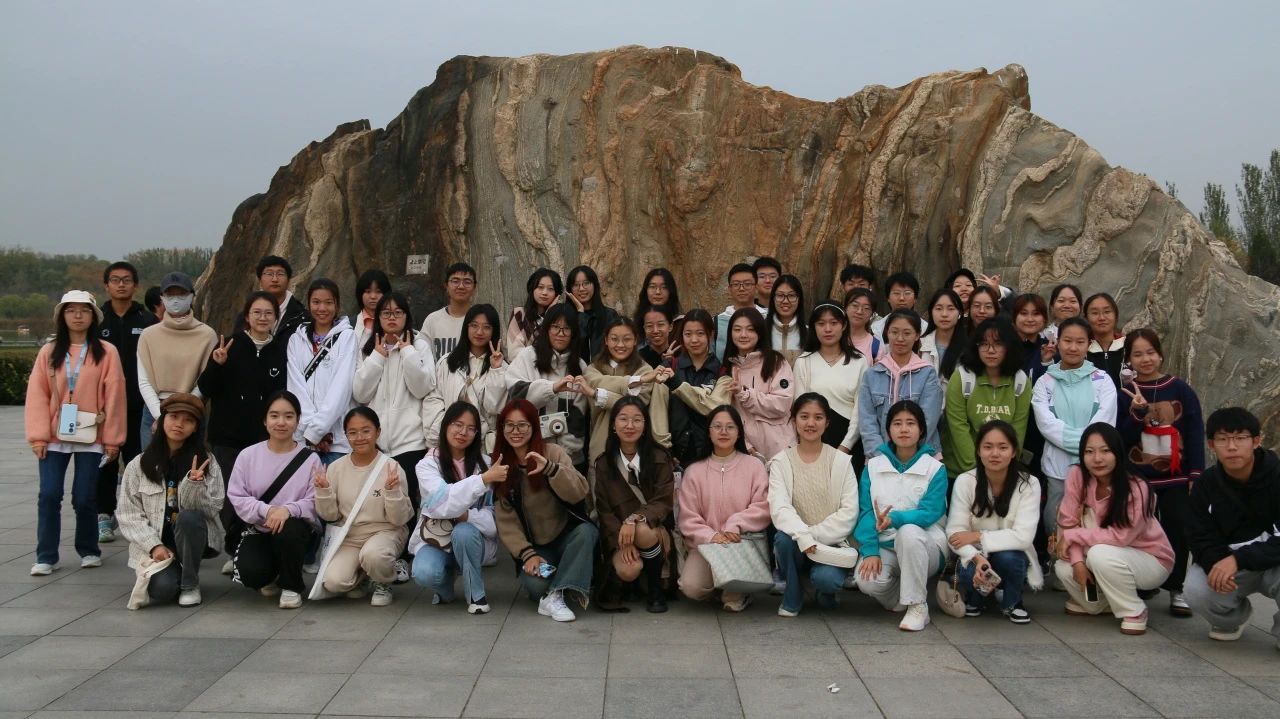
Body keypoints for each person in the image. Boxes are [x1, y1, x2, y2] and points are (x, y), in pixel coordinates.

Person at [26, 291, 127, 575]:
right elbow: (37, 395)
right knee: (49, 494)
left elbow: (115, 395)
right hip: (54, 435)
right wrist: (38, 435)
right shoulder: (49, 351)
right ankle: (46, 556)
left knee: (84, 497)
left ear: (94, 316)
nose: (78, 316)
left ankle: (89, 549)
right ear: (62, 316)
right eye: (71, 310)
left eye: (84, 310)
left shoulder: (106, 351)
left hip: (91, 434)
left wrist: (112, 439)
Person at [1054, 423, 1173, 635]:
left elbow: (1120, 537)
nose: (1097, 459)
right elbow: (1069, 522)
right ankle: (1101, 604)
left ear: (1118, 452)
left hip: (1150, 559)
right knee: (1063, 566)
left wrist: (1072, 536)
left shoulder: (1136, 487)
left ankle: (1134, 609)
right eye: (1089, 452)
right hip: (1104, 551)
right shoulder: (1077, 475)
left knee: (1100, 555)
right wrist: (1078, 562)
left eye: (1105, 451)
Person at [1117, 327, 1204, 617]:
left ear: (1160, 354)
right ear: (1128, 360)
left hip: (1176, 475)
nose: (1145, 359)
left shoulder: (1180, 389)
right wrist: (1137, 413)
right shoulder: (1124, 393)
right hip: (1139, 476)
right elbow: (1122, 438)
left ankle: (1177, 588)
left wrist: (1196, 473)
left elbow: (1194, 432)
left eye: (1150, 352)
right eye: (1137, 354)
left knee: (1178, 528)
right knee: (1141, 530)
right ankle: (1146, 582)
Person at [197, 291, 288, 568]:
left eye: (269, 313)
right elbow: (206, 387)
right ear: (247, 316)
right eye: (257, 312)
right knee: (231, 497)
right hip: (228, 437)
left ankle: (252, 549)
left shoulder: (280, 350)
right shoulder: (229, 345)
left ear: (276, 317)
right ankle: (234, 550)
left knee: (259, 494)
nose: (263, 317)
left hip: (264, 439)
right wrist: (217, 364)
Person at [492, 399, 596, 622]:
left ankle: (555, 595)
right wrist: (527, 554)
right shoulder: (501, 464)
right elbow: (506, 520)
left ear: (534, 426)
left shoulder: (553, 452)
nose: (516, 431)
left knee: (587, 532)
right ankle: (564, 584)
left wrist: (550, 469)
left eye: (523, 425)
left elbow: (579, 491)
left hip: (566, 537)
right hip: (537, 547)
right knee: (536, 586)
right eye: (509, 425)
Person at [1184, 407, 1280, 646]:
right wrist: (1215, 562)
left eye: (1240, 438)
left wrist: (1238, 559)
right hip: (1230, 566)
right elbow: (1199, 536)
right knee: (1196, 589)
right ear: (1211, 445)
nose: (1232, 446)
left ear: (1256, 441)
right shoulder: (1205, 485)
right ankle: (1232, 619)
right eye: (1223, 439)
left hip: (1273, 564)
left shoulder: (1277, 476)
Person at [116, 394, 224, 607]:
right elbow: (128, 514)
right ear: (162, 419)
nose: (179, 424)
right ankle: (174, 572)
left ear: (196, 427)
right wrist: (154, 546)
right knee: (163, 590)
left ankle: (190, 583)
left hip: (192, 538)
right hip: (157, 544)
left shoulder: (207, 462)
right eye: (174, 417)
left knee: (189, 518)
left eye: (188, 420)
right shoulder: (138, 465)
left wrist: (194, 485)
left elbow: (212, 509)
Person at [854, 400, 949, 631]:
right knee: (866, 581)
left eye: (910, 423)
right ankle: (901, 597)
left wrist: (895, 519)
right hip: (886, 545)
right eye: (897, 423)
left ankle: (917, 606)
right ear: (888, 430)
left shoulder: (935, 468)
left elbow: (929, 512)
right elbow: (866, 511)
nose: (904, 429)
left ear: (921, 430)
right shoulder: (873, 466)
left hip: (926, 546)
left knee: (908, 532)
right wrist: (870, 550)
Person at [226, 390, 322, 608]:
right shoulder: (248, 455)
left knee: (290, 530)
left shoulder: (310, 459)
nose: (281, 422)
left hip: (296, 530)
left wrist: (287, 510)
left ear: (297, 420)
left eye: (289, 416)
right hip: (259, 527)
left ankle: (291, 586)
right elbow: (237, 495)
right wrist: (267, 511)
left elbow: (314, 500)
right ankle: (271, 573)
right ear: (265, 420)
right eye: (274, 415)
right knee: (251, 574)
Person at [313, 407, 414, 606]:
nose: (359, 437)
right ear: (346, 435)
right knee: (333, 582)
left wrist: (392, 492)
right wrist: (323, 491)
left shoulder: (392, 467)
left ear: (378, 432)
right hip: (350, 537)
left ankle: (383, 581)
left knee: (374, 555)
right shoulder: (336, 468)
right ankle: (364, 576)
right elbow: (330, 516)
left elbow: (399, 519)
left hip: (385, 532)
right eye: (352, 432)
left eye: (366, 431)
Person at [768, 393, 859, 616]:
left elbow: (848, 512)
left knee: (827, 579)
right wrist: (802, 536)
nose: (811, 423)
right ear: (794, 420)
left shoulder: (840, 461)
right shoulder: (781, 462)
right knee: (782, 539)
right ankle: (792, 596)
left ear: (827, 423)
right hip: (796, 542)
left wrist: (810, 536)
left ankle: (825, 593)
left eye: (818, 417)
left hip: (831, 544)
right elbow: (780, 508)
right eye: (804, 416)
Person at [411, 401, 503, 614]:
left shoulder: (488, 464)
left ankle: (476, 594)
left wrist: (466, 516)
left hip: (473, 540)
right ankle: (445, 589)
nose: (463, 432)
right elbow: (442, 502)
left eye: (471, 428)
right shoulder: (427, 464)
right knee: (424, 572)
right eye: (458, 425)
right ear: (445, 426)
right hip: (437, 539)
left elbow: (495, 518)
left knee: (464, 532)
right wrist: (482, 480)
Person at [945, 420, 1041, 623]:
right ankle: (976, 598)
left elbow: (1023, 537)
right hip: (976, 553)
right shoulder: (965, 481)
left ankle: (1013, 602)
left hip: (1010, 553)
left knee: (1011, 559)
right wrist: (977, 557)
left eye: (1003, 447)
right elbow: (954, 533)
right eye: (988, 447)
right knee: (972, 568)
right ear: (978, 451)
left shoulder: (1029, 484)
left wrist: (977, 536)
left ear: (1014, 452)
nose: (995, 453)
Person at [678, 405, 771, 612]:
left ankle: (740, 590)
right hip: (706, 545)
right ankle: (719, 586)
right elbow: (688, 517)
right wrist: (711, 536)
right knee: (692, 587)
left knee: (732, 597)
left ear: (739, 432)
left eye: (730, 427)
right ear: (708, 432)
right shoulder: (694, 471)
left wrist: (735, 525)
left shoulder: (754, 466)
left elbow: (762, 506)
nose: (723, 432)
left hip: (741, 542)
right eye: (717, 426)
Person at [1033, 317, 1118, 540]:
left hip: (1097, 466)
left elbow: (1104, 424)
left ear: (1089, 344)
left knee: (1096, 523)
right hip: (1057, 468)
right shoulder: (1044, 382)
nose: (1073, 347)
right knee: (1056, 525)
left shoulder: (1103, 380)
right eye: (1067, 340)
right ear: (1057, 342)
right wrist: (1086, 445)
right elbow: (1046, 425)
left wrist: (1087, 451)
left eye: (1080, 342)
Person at [592, 397, 676, 613]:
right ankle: (635, 583)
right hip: (620, 534)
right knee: (628, 570)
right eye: (623, 419)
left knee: (642, 530)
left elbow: (663, 500)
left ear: (645, 425)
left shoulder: (660, 457)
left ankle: (656, 589)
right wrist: (622, 540)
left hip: (653, 528)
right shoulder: (604, 463)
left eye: (637, 420)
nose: (630, 426)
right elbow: (604, 510)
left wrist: (635, 519)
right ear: (613, 424)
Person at [96, 261, 156, 543]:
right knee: (105, 464)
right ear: (106, 285)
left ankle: (136, 516)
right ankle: (104, 515)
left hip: (137, 406)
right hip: (103, 409)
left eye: (127, 280)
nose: (121, 284)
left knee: (136, 463)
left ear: (136, 285)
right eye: (115, 280)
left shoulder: (147, 321)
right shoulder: (97, 320)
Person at [942, 317, 1033, 480]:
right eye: (984, 344)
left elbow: (1018, 430)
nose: (990, 351)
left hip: (1003, 472)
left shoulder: (1020, 381)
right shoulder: (962, 378)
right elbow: (958, 426)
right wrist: (976, 470)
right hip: (963, 473)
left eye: (998, 344)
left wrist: (1003, 469)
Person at [136, 272, 218, 447]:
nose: (175, 299)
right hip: (154, 408)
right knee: (151, 462)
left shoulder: (207, 335)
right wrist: (161, 415)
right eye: (170, 294)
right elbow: (144, 381)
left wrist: (185, 409)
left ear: (191, 296)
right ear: (162, 298)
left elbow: (207, 378)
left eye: (181, 294)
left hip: (191, 409)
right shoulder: (148, 335)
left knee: (189, 463)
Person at [507, 304, 590, 473]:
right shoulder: (527, 356)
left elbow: (579, 417)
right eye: (555, 327)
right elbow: (516, 397)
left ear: (574, 333)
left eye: (567, 328)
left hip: (568, 460)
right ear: (546, 329)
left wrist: (560, 458)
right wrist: (552, 388)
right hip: (529, 454)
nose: (561, 333)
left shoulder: (580, 366)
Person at [580, 318, 671, 469]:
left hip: (636, 450)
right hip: (600, 446)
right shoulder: (593, 369)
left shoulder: (645, 370)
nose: (620, 345)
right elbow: (595, 382)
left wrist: (597, 394)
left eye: (627, 339)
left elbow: (634, 406)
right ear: (606, 340)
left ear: (635, 340)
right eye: (614, 339)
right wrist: (636, 381)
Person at [286, 278, 357, 464]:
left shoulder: (347, 337)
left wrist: (317, 431)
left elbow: (341, 388)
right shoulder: (296, 340)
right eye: (316, 302)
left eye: (328, 302)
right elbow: (295, 387)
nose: (322, 308)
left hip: (337, 440)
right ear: (309, 304)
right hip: (304, 440)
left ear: (337, 305)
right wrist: (312, 432)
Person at [857, 310, 943, 459]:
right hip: (880, 459)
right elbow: (867, 421)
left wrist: (908, 455)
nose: (900, 338)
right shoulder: (872, 374)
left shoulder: (927, 374)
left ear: (917, 335)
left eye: (907, 333)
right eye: (894, 332)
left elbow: (928, 420)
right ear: (887, 333)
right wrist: (882, 455)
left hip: (921, 457)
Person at [423, 304, 509, 449]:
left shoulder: (503, 368)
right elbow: (433, 400)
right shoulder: (448, 362)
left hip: (484, 446)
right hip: (449, 442)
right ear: (466, 327)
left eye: (486, 327)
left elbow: (494, 407)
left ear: (494, 331)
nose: (479, 332)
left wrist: (496, 370)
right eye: (474, 325)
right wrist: (448, 430)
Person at [793, 303, 868, 459]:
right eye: (821, 324)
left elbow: (861, 409)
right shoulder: (804, 361)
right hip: (813, 443)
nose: (827, 329)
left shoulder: (859, 361)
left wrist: (844, 447)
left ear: (844, 325)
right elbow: (800, 408)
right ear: (813, 327)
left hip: (850, 446)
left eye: (834, 323)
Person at [722, 307, 795, 461]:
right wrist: (745, 445)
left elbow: (781, 404)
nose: (743, 335)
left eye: (750, 329)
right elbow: (728, 415)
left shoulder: (776, 362)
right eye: (737, 329)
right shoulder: (727, 367)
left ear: (760, 332)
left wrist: (745, 394)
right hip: (745, 452)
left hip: (780, 448)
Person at [665, 309, 733, 468]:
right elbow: (658, 410)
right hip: (675, 454)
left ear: (711, 334)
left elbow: (716, 407)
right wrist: (665, 449)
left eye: (700, 334)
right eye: (688, 334)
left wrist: (678, 386)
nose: (694, 340)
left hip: (712, 452)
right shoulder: (670, 366)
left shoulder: (722, 372)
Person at [421, 262, 477, 360]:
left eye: (467, 282)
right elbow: (422, 355)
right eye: (455, 281)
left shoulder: (481, 319)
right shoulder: (432, 320)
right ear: (446, 285)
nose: (461, 286)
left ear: (474, 287)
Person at [245, 255, 310, 337]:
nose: (275, 279)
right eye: (269, 274)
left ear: (288, 281)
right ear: (260, 281)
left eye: (280, 274)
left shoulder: (302, 317)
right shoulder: (247, 314)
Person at [565, 265, 619, 360]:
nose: (581, 289)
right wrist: (580, 314)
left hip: (603, 368)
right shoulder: (565, 316)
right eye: (576, 285)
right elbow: (573, 347)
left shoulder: (609, 315)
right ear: (570, 290)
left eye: (586, 283)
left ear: (595, 285)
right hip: (575, 368)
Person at [506, 268, 563, 356]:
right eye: (540, 287)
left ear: (557, 294)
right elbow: (514, 353)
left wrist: (549, 316)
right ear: (532, 289)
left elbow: (560, 352)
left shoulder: (561, 318)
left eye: (550, 289)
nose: (545, 292)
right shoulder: (519, 314)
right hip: (523, 365)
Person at [716, 263, 761, 359]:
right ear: (729, 289)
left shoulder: (767, 318)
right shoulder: (717, 322)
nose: (741, 288)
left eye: (747, 284)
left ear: (756, 288)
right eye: (736, 284)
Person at [919, 289, 964, 381]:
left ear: (959, 313)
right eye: (939, 309)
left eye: (951, 309)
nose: (944, 314)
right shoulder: (919, 344)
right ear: (931, 312)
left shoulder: (969, 348)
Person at [1084, 292, 1125, 390]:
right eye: (1095, 313)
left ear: (1116, 316)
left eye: (1107, 312)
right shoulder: (1082, 351)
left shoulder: (1128, 347)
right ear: (1086, 318)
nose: (1102, 318)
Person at [767, 275, 807, 365]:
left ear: (799, 299)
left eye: (791, 295)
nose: (785, 301)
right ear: (773, 298)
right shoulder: (761, 331)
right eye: (780, 295)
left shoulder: (809, 333)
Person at [352, 269, 392, 352]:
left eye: (378, 292)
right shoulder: (349, 325)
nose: (373, 296)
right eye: (368, 291)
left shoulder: (395, 323)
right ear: (360, 294)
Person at [844, 288, 881, 361]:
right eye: (855, 305)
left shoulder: (876, 346)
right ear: (845, 307)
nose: (859, 311)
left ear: (872, 314)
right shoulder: (833, 338)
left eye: (866, 308)